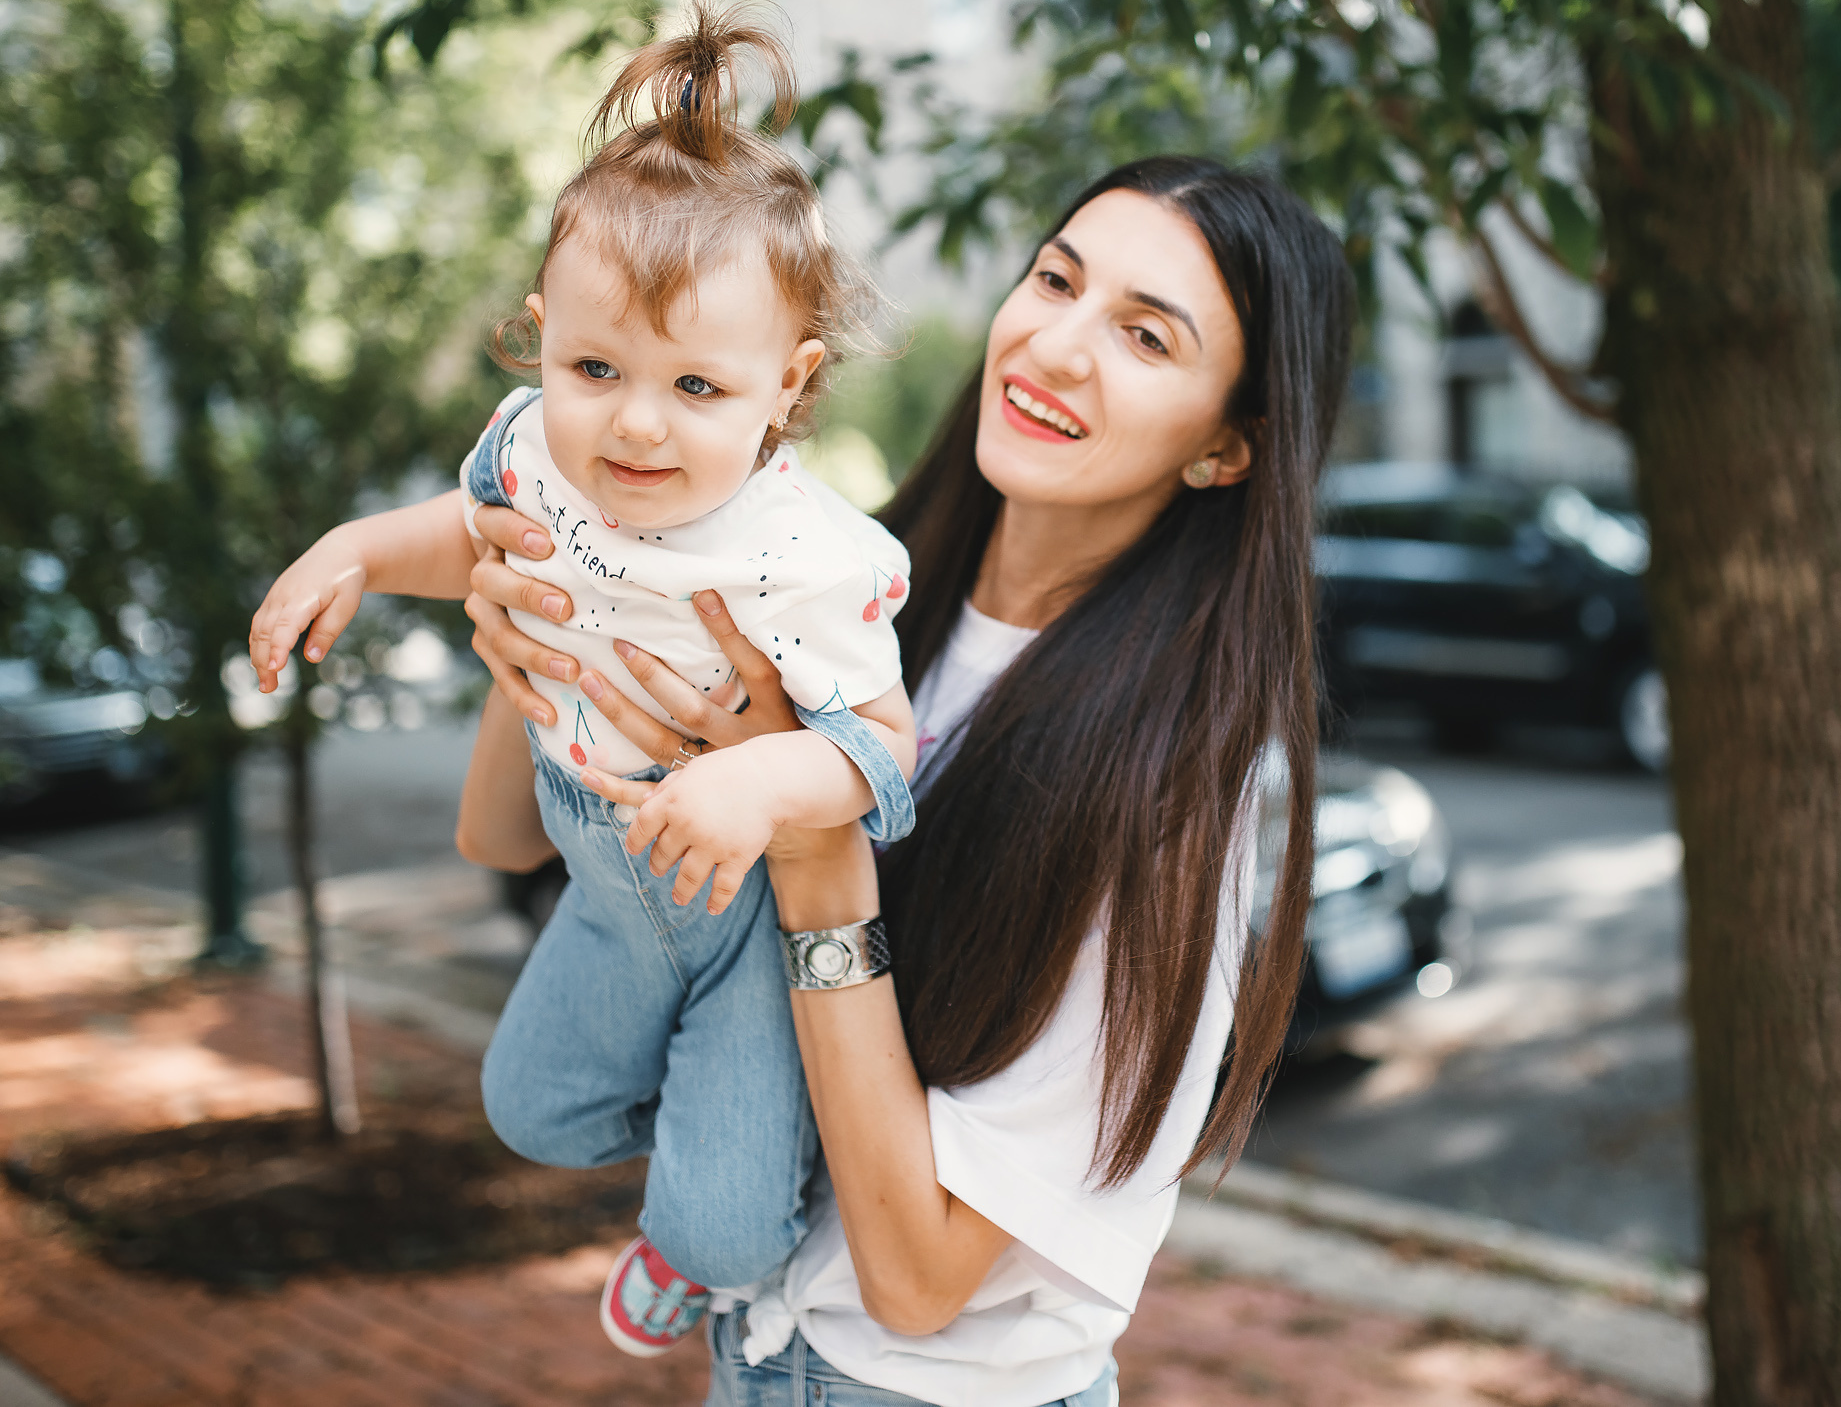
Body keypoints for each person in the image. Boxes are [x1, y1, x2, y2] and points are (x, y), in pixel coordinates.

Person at [464, 155, 1355, 1406]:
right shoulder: (851, 595)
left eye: (1146, 337)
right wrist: (542, 638)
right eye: (1056, 281)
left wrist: (815, 835)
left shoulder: (1167, 798)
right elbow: (502, 841)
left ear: (1226, 447)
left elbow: (919, 1280)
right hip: (761, 1356)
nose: (1057, 346)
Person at [246, 2, 919, 1358]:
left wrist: (752, 784)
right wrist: (355, 552)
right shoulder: (535, 455)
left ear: (785, 388)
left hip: (737, 918)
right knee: (530, 1108)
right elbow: (476, 539)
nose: (637, 422)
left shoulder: (809, 553)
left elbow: (884, 747)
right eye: (595, 366)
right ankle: (718, 1133)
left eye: (696, 385)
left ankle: (718, 1193)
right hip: (599, 881)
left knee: (728, 1234)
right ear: (540, 334)